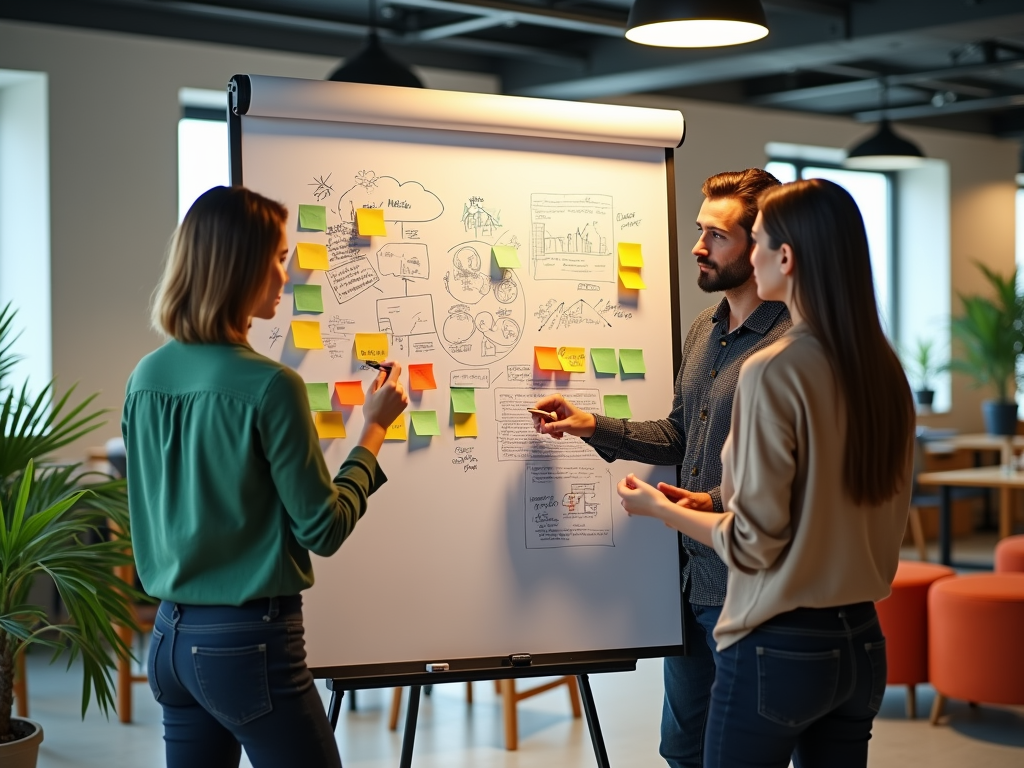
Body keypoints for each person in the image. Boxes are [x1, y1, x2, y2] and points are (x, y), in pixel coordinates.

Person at [618, 178, 914, 768]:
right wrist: (713, 500)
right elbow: (828, 504)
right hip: (861, 640)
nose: (749, 255)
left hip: (780, 643)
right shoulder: (883, 367)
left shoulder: (773, 368)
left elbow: (753, 545)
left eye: (758, 242)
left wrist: (661, 510)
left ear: (786, 258)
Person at [121, 186, 408, 768]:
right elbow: (322, 529)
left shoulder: (144, 377)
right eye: (279, 258)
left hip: (170, 640)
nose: (286, 275)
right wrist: (373, 433)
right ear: (241, 267)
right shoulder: (272, 387)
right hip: (248, 644)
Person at [531, 169, 789, 768]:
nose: (698, 247)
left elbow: (789, 484)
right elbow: (679, 432)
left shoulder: (790, 344)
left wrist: (699, 506)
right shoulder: (705, 330)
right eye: (699, 231)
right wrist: (591, 425)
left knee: (744, 756)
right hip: (690, 584)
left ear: (760, 246)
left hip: (752, 588)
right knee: (680, 749)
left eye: (716, 236)